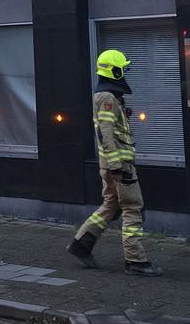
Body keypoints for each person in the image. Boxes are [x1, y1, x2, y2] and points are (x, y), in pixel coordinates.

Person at [67, 49, 161, 277]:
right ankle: (136, 260)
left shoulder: (107, 96)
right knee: (132, 208)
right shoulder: (107, 98)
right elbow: (105, 134)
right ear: (114, 71)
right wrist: (118, 167)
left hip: (110, 165)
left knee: (111, 205)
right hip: (119, 166)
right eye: (122, 69)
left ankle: (81, 244)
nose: (125, 73)